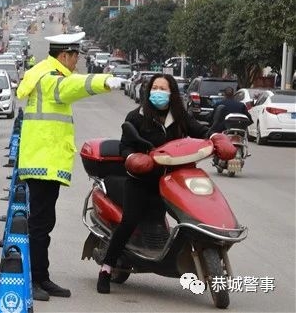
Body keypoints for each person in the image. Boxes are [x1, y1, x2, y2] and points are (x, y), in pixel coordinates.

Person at [96, 73, 237, 294]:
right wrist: (133, 158)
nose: (159, 92)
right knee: (129, 221)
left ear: (171, 93)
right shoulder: (136, 116)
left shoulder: (180, 117)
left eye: (163, 88)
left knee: (192, 213)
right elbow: (126, 146)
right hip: (141, 180)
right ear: (148, 91)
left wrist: (217, 137)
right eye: (155, 88)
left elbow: (201, 131)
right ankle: (106, 268)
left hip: (172, 180)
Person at [16, 33, 123, 301]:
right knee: (39, 226)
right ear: (65, 55)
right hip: (41, 162)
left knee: (44, 223)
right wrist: (104, 81)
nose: (77, 63)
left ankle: (42, 277)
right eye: (76, 57)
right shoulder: (50, 77)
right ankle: (32, 280)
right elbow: (70, 88)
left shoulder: (45, 72)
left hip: (44, 162)